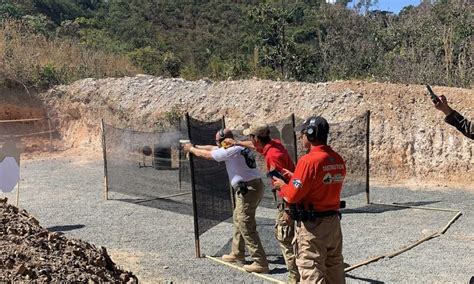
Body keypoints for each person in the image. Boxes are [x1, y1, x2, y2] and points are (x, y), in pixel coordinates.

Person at [182, 128, 269, 273]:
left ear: (224, 141)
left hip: (249, 189)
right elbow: (213, 148)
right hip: (249, 187)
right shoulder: (236, 147)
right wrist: (195, 146)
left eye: (219, 141)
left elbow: (209, 155)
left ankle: (260, 262)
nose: (217, 144)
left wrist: (191, 149)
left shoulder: (231, 150)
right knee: (238, 219)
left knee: (245, 223)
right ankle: (237, 253)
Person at [273, 116, 346, 284]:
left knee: (311, 269)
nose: (301, 137)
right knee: (334, 268)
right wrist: (297, 178)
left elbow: (292, 195)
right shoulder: (337, 158)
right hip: (333, 223)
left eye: (303, 133)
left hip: (313, 226)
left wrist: (282, 186)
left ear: (310, 134)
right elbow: (320, 184)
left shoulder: (308, 161)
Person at [224, 124, 300, 283]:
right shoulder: (274, 145)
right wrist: (237, 142)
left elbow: (286, 181)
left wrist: (288, 207)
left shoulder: (273, 156)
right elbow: (254, 145)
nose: (250, 140)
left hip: (288, 198)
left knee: (285, 236)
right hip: (290, 195)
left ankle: (295, 277)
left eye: (251, 137)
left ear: (256, 137)